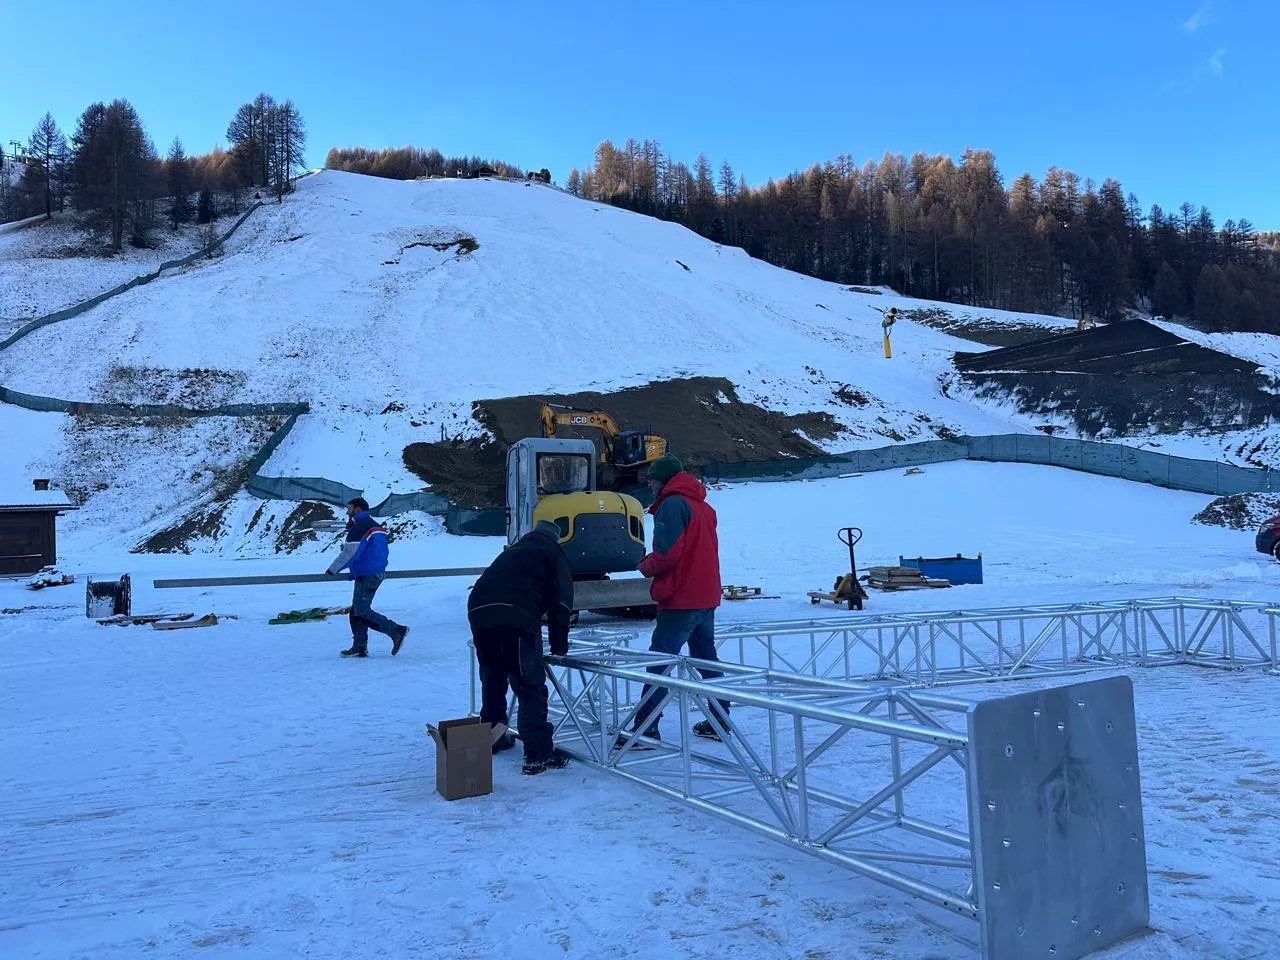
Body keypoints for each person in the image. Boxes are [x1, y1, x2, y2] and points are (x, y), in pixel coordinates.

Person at [620, 454, 728, 748]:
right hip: (706, 594)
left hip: (682, 597)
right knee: (706, 657)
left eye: (652, 481)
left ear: (662, 481)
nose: (650, 486)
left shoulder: (671, 505)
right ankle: (720, 720)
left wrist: (644, 566)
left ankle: (644, 729)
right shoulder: (704, 507)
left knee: (661, 661)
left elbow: (668, 554)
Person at [467, 519, 574, 775]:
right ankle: (538, 755)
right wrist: (559, 645)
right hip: (515, 616)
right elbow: (561, 604)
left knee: (493, 678)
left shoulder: (513, 551)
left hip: (479, 613)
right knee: (529, 684)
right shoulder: (553, 554)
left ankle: (493, 736)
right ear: (556, 538)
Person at [326, 498, 409, 658]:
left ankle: (396, 630)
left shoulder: (361, 526)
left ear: (357, 509)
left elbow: (349, 553)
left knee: (361, 611)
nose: (347, 512)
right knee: (356, 610)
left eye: (349, 509)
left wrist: (332, 570)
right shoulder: (372, 525)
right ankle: (359, 646)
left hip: (368, 574)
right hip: (371, 572)